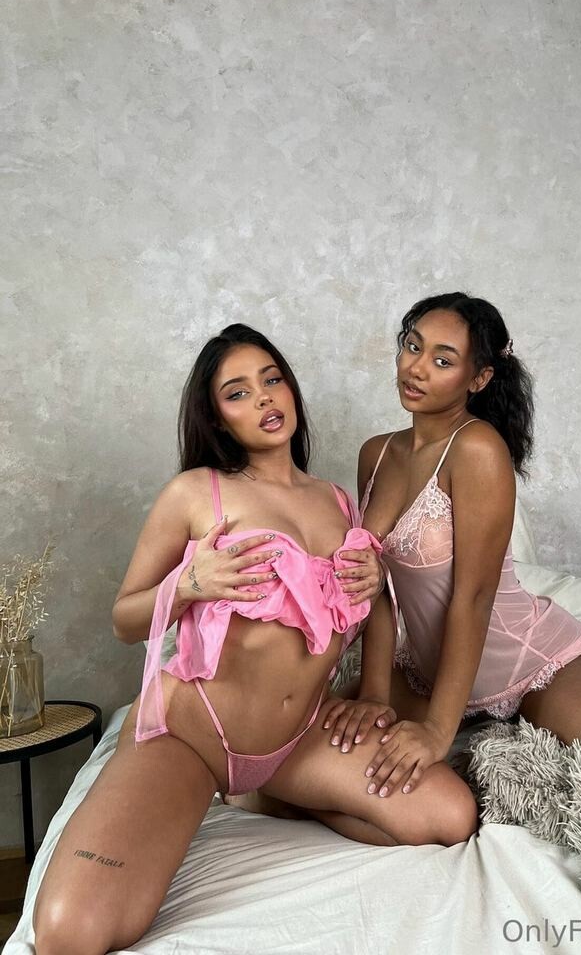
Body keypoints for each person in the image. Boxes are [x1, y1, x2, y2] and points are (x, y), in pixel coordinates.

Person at [33, 323, 478, 955]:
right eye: (237, 392)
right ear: (217, 417)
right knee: (69, 932)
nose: (264, 397)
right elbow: (125, 619)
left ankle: (266, 792)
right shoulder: (195, 493)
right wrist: (188, 584)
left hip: (298, 738)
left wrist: (374, 686)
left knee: (450, 817)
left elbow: (376, 602)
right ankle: (234, 785)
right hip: (195, 734)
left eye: (272, 380)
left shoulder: (337, 502)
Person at [325, 293, 581, 801]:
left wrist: (436, 731)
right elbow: (375, 584)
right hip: (428, 673)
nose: (417, 368)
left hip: (529, 662)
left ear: (479, 378)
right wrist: (375, 693)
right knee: (332, 742)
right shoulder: (376, 453)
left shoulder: (478, 448)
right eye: (413, 347)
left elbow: (474, 597)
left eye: (443, 360)